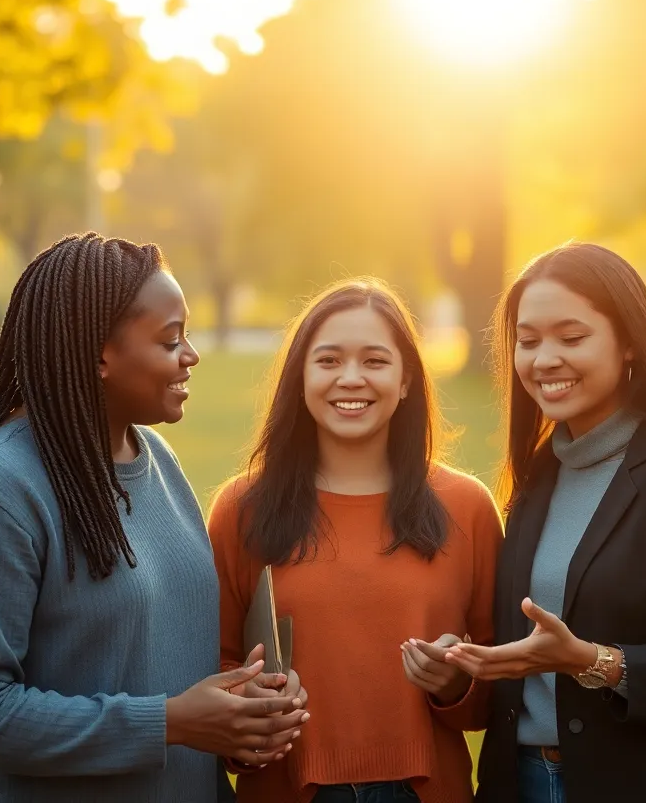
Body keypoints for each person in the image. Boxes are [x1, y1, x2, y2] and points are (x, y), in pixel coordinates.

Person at [0, 233, 307, 803]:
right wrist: (171, 722)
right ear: (100, 353)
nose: (191, 356)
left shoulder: (157, 460)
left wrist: (236, 717)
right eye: (171, 340)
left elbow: (160, 664)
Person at [445, 243, 646, 802]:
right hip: (521, 783)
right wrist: (457, 664)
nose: (544, 358)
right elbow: (526, 658)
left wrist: (595, 663)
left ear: (629, 343)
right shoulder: (538, 473)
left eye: (571, 338)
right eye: (527, 341)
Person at [207, 278, 503, 803]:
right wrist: (247, 702)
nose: (350, 378)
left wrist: (456, 681)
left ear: (407, 378)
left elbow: (500, 691)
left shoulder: (467, 507)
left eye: (374, 361)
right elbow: (212, 673)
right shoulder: (242, 508)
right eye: (328, 361)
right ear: (300, 376)